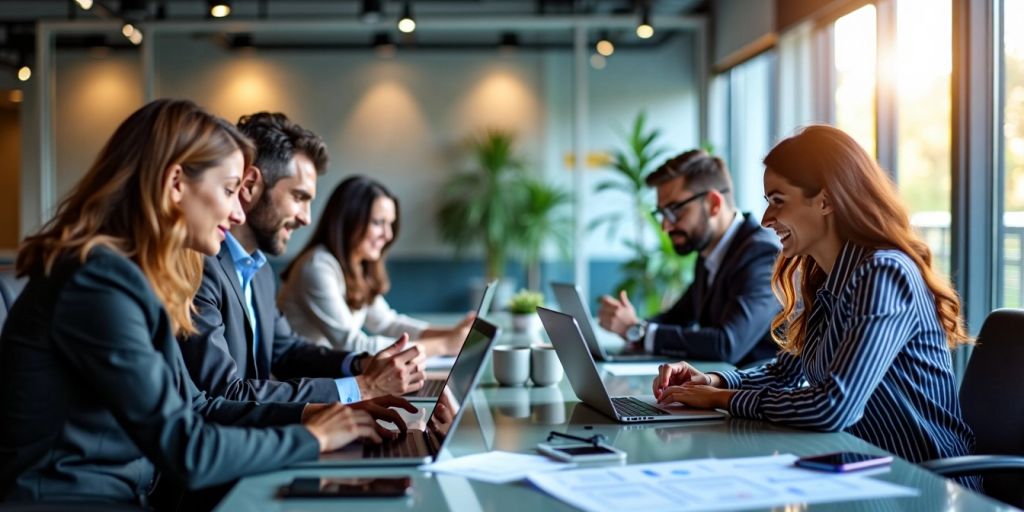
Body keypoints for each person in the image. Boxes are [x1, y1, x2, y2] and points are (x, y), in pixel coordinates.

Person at [0, 99, 413, 507]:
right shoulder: (97, 281)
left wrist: (319, 414)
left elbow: (198, 406)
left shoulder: (130, 275)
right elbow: (187, 449)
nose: (238, 213)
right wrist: (315, 437)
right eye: (230, 190)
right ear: (175, 183)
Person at [652, 125, 976, 466]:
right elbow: (784, 372)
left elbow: (833, 406)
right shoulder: (825, 278)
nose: (766, 219)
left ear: (826, 200)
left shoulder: (885, 274)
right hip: (863, 467)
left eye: (778, 201)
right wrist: (713, 380)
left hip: (925, 480)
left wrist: (722, 399)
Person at [180, 113, 425, 405]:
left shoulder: (258, 271)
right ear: (250, 187)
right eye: (298, 197)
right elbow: (226, 393)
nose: (306, 218)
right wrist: (362, 388)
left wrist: (360, 365)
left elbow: (285, 352)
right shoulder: (199, 268)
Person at [597, 149, 781, 367]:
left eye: (675, 211)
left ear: (713, 204)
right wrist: (632, 326)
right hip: (718, 390)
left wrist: (639, 332)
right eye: (663, 214)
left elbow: (727, 344)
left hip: (754, 396)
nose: (665, 226)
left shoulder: (762, 255)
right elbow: (676, 317)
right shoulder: (710, 254)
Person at [278, 175, 473, 356]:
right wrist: (444, 345)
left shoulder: (357, 266)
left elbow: (388, 323)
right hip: (301, 386)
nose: (388, 235)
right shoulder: (317, 267)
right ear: (349, 222)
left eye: (390, 224)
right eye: (378, 223)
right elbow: (352, 346)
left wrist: (453, 334)